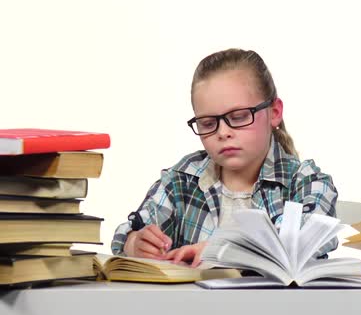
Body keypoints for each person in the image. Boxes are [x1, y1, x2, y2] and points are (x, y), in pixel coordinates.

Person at [111, 48, 338, 267]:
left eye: (238, 117)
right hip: (196, 307)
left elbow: (305, 239)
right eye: (208, 123)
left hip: (279, 307)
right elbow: (126, 233)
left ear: (274, 112)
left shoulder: (307, 182)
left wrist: (221, 250)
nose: (223, 132)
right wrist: (135, 243)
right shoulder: (182, 179)